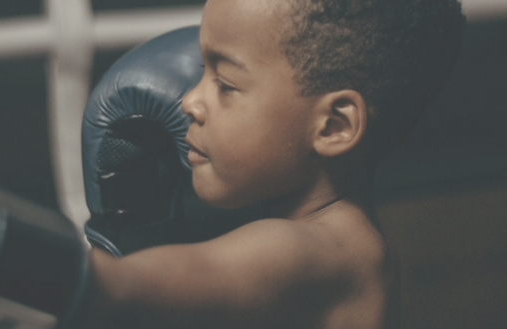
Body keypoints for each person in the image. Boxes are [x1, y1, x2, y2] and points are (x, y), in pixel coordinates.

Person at [83, 0, 465, 328]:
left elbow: (114, 288)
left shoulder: (313, 254)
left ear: (333, 126)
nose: (189, 101)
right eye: (202, 70)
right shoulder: (351, 242)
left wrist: (37, 257)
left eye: (225, 84)